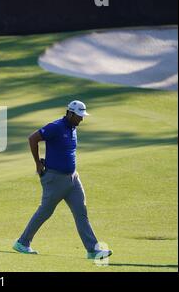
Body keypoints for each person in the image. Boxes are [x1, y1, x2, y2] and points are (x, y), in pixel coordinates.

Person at [13, 100, 112, 260]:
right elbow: (33, 138)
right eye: (79, 116)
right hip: (55, 178)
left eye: (83, 116)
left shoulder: (73, 128)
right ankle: (22, 242)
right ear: (70, 113)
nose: (81, 119)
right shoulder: (56, 127)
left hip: (73, 179)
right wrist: (37, 162)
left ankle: (92, 250)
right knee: (45, 212)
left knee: (81, 213)